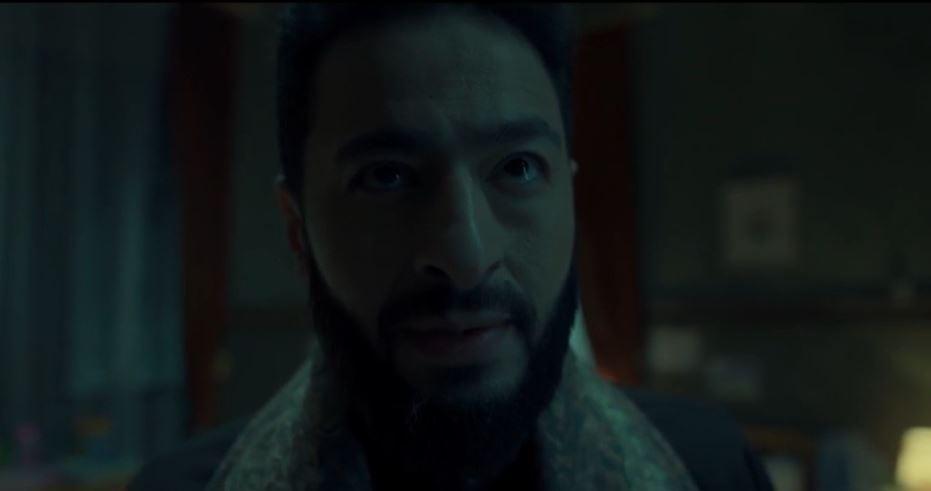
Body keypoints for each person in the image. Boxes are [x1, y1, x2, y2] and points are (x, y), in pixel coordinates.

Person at [130, 4, 774, 490]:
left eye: (517, 168)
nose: (466, 256)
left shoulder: (709, 468)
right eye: (387, 176)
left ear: (570, 201)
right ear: (298, 230)